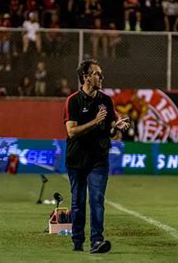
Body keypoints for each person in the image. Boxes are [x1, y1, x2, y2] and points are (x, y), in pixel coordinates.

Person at [63, 59, 130, 253]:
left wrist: (115, 127)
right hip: (76, 159)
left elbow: (108, 129)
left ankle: (96, 242)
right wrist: (95, 121)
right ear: (86, 77)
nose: (101, 77)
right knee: (78, 202)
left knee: (97, 199)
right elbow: (72, 132)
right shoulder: (73, 101)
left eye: (101, 73)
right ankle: (77, 241)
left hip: (99, 159)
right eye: (97, 73)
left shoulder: (106, 100)